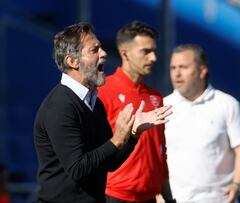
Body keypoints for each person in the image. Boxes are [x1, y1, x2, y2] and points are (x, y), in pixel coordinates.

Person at [33, 22, 172, 203]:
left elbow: (111, 162)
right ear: (73, 61)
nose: (104, 53)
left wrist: (132, 135)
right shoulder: (60, 106)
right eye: (94, 50)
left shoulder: (94, 103)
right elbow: (78, 169)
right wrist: (117, 139)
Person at [164, 44, 240, 203]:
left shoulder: (227, 104)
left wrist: (237, 184)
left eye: (183, 67)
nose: (177, 73)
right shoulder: (162, 107)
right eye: (173, 68)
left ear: (202, 71)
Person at [98, 21, 175, 203]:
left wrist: (169, 198)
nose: (153, 58)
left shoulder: (155, 97)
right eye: (146, 52)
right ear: (125, 53)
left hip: (150, 197)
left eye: (154, 51)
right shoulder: (103, 92)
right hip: (114, 197)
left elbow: (160, 155)